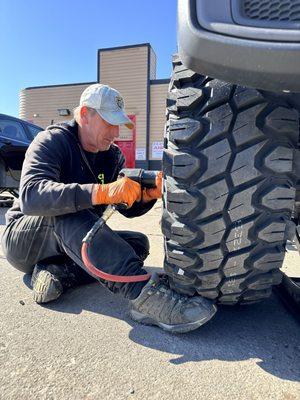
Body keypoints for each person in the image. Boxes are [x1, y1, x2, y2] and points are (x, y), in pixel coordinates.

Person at [1, 83, 217, 333]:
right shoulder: (52, 141)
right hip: (25, 240)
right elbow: (32, 196)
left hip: (68, 243)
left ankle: (58, 273)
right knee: (67, 210)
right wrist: (101, 191)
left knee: (138, 245)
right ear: (84, 115)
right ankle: (144, 297)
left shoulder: (112, 156)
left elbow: (122, 207)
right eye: (109, 122)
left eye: (118, 124)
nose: (116, 132)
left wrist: (145, 197)